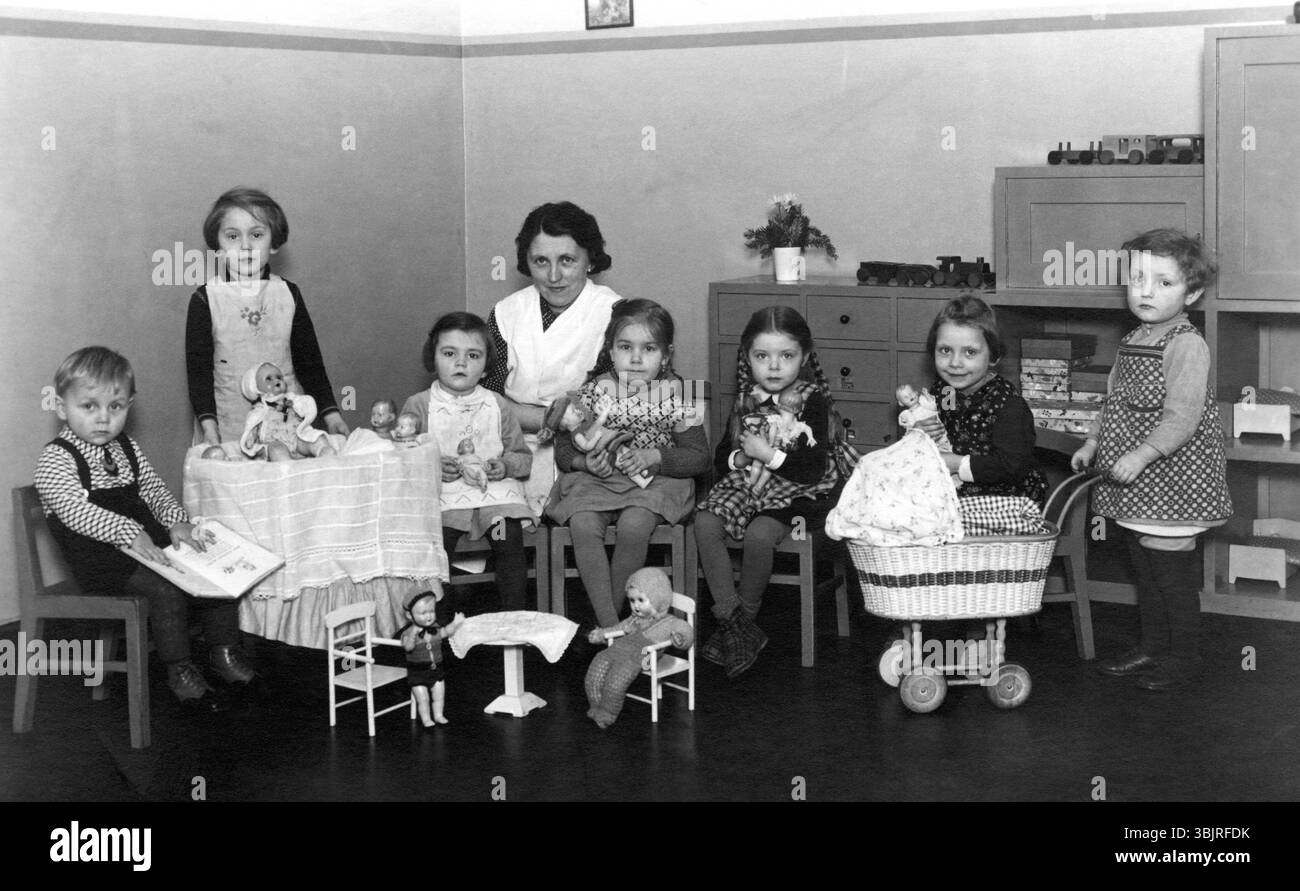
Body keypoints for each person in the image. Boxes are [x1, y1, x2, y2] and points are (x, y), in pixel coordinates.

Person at [33, 347, 259, 712]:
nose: (103, 419)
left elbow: (154, 491)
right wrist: (129, 532)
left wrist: (176, 522)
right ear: (62, 408)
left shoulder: (127, 448)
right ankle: (180, 671)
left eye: (116, 407)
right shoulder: (56, 458)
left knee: (212, 573)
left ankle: (224, 652)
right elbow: (74, 512)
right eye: (89, 407)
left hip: (147, 549)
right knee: (165, 590)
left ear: (129, 405)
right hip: (101, 564)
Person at [1072, 229, 1231, 691]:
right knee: (1146, 570)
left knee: (1171, 576)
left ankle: (1183, 657)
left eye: (1164, 282)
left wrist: (1141, 456)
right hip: (1138, 480)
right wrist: (1091, 444)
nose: (1145, 290)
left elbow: (1182, 418)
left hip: (1174, 481)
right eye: (1138, 278)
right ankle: (1153, 647)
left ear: (1192, 293)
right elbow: (1114, 402)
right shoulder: (1134, 338)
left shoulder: (1186, 344)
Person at [695, 307, 848, 678]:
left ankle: (743, 619)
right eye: (762, 356)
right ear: (748, 357)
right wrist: (741, 455)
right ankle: (735, 624)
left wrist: (770, 454)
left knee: (759, 534)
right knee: (703, 521)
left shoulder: (812, 399)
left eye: (787, 356)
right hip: (750, 482)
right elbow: (721, 456)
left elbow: (811, 468)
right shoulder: (749, 396)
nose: (774, 367)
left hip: (799, 491)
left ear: (805, 357)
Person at [545, 299, 708, 627]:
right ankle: (610, 625)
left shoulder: (677, 395)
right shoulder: (592, 393)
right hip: (599, 480)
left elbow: (699, 457)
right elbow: (564, 450)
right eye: (625, 347)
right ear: (611, 350)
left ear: (666, 354)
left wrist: (656, 457)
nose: (635, 359)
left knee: (635, 525)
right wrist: (585, 463)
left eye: (648, 348)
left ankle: (614, 619)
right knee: (582, 523)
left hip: (653, 484)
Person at [185, 187, 349, 447]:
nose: (246, 246)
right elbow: (198, 373)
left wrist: (331, 414)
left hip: (287, 427)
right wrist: (209, 428)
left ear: (274, 243)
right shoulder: (205, 299)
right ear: (217, 245)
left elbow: (310, 363)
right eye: (232, 236)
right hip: (226, 429)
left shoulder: (288, 294)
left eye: (257, 235)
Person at [401, 312, 534, 612]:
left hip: (493, 495)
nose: (460, 363)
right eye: (449, 354)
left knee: (507, 536)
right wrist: (431, 466)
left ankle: (514, 617)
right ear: (433, 358)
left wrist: (505, 466)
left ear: (486, 367)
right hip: (446, 498)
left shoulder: (498, 405)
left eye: (473, 355)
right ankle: (438, 621)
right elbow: (403, 460)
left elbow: (522, 458)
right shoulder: (419, 405)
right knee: (437, 544)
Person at [913, 293, 1046, 504]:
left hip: (1005, 501)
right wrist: (921, 431)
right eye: (945, 350)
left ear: (994, 356)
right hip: (952, 491)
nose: (955, 363)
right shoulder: (944, 391)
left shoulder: (1008, 406)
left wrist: (957, 464)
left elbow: (1012, 467)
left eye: (970, 353)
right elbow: (945, 424)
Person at [584, 567, 694, 728]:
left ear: (657, 599)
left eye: (641, 600)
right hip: (620, 648)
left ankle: (607, 713)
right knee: (596, 668)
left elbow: (686, 629)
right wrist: (602, 634)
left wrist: (680, 638)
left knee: (617, 680)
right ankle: (596, 706)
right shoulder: (633, 619)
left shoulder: (670, 622)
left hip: (646, 655)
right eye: (632, 600)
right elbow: (618, 628)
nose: (636, 606)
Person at [238, 361, 337, 460]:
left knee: (314, 438)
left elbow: (306, 405)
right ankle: (287, 464)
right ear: (255, 387)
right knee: (276, 450)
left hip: (297, 439)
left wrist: (300, 405)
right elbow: (252, 424)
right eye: (268, 379)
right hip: (274, 442)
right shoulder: (259, 410)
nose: (276, 381)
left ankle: (322, 450)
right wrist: (250, 436)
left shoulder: (291, 399)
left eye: (279, 377)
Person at [399, 588, 465, 727]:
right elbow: (408, 647)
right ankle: (426, 718)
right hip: (418, 672)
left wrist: (456, 623)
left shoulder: (435, 628)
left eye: (432, 611)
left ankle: (439, 715)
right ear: (409, 615)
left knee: (439, 695)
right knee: (423, 698)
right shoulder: (408, 633)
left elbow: (446, 632)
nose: (428, 616)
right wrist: (412, 635)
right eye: (423, 613)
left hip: (437, 670)